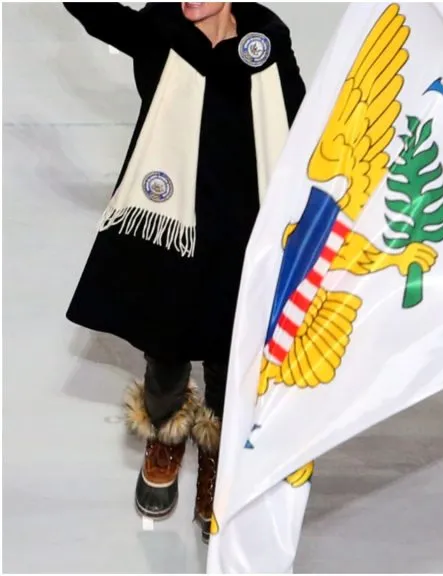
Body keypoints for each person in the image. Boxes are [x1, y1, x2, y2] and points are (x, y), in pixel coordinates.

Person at [62, 2, 306, 542]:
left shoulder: (267, 44)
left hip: (243, 237)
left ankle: (215, 454)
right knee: (165, 359)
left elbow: (301, 123)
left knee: (228, 359)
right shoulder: (159, 32)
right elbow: (97, 14)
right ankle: (165, 434)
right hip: (172, 235)